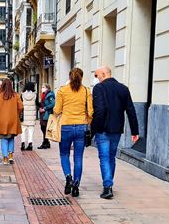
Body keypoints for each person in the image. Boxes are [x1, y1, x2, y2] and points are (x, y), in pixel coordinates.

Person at [92, 66, 139, 199]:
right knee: (111, 156)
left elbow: (99, 110)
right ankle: (109, 184)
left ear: (103, 74)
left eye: (96, 75)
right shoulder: (123, 88)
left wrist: (95, 128)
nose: (96, 78)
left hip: (103, 129)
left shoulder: (99, 88)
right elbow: (131, 110)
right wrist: (134, 131)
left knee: (104, 157)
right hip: (116, 129)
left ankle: (107, 186)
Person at [53, 68, 93, 198]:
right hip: (81, 126)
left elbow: (57, 110)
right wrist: (87, 122)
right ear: (81, 77)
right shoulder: (86, 91)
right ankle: (76, 185)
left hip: (65, 126)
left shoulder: (62, 91)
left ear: (69, 77)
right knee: (78, 157)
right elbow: (91, 111)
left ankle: (68, 177)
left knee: (64, 154)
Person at [0, 79, 23, 165]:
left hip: (1, 120)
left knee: (4, 138)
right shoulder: (16, 95)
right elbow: (21, 107)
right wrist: (16, 112)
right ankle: (10, 155)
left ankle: (5, 157)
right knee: (11, 137)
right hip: (12, 120)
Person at [20, 82, 38, 151]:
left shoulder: (22, 95)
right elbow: (37, 103)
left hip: (24, 116)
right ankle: (30, 144)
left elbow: (20, 105)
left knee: (23, 130)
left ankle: (23, 144)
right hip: (31, 116)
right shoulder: (35, 95)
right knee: (31, 130)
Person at [38, 84, 55, 149]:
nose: (42, 88)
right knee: (43, 128)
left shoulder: (50, 95)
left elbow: (53, 103)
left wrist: (44, 108)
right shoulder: (43, 94)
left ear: (47, 88)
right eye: (42, 87)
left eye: (43, 87)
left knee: (44, 128)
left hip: (47, 113)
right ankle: (46, 142)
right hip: (43, 113)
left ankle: (45, 143)